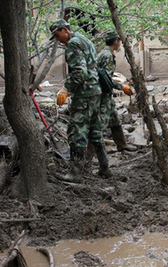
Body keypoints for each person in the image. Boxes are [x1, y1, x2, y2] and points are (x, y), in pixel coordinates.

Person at [51, 19, 110, 182]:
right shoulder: (85, 40)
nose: (58, 40)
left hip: (84, 93)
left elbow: (79, 72)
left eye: (57, 35)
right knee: (94, 130)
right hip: (95, 90)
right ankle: (105, 167)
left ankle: (75, 173)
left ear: (64, 30)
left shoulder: (72, 44)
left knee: (77, 131)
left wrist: (65, 88)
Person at [97, 30, 137, 154]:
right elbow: (106, 78)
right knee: (100, 125)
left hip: (105, 93)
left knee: (114, 119)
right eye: (119, 41)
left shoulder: (104, 52)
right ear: (115, 42)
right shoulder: (108, 55)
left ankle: (122, 145)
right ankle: (90, 155)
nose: (120, 43)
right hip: (101, 95)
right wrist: (122, 87)